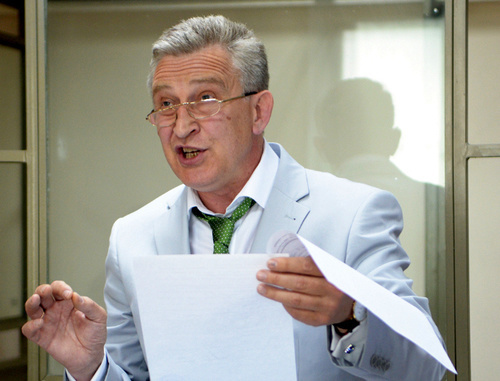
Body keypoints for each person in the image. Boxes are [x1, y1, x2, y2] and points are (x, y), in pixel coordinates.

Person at [23, 15, 447, 381]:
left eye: (205, 99)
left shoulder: (352, 214)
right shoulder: (131, 236)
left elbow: (428, 367)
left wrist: (349, 314)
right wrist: (91, 368)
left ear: (259, 111)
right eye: (166, 104)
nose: (182, 125)